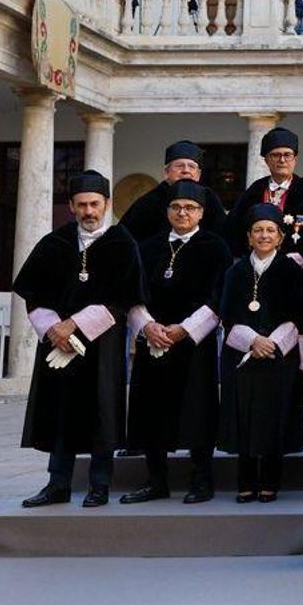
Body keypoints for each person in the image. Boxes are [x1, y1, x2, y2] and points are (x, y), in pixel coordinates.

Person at [16, 170, 145, 509]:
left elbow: (124, 299)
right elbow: (33, 294)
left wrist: (74, 324)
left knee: (101, 412)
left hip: (102, 344)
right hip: (58, 345)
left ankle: (100, 485)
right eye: (82, 205)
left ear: (107, 204)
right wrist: (53, 329)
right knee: (60, 410)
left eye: (94, 204)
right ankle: (57, 483)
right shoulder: (54, 243)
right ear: (72, 207)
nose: (89, 211)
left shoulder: (122, 243)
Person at [121, 180, 232, 505]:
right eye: (176, 207)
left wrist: (184, 329)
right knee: (150, 408)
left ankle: (202, 478)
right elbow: (133, 294)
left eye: (191, 208)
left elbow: (218, 298)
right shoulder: (147, 248)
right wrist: (148, 326)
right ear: (166, 211)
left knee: (198, 409)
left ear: (202, 212)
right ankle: (156, 480)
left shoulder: (215, 247)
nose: (183, 213)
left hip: (194, 343)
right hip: (153, 341)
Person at [217, 203, 303, 503]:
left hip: (279, 356)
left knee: (274, 416)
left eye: (270, 230)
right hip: (242, 355)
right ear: (248, 237)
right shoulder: (235, 271)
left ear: (281, 237)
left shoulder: (291, 269)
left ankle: (270, 481)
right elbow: (226, 314)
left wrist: (271, 343)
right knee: (244, 416)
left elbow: (300, 314)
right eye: (258, 230)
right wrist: (252, 340)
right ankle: (245, 481)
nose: (264, 235)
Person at [227, 126, 303, 258]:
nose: (282, 160)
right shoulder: (254, 191)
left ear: (295, 159)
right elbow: (234, 229)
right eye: (276, 155)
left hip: (298, 271)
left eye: (287, 155)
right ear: (266, 160)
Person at [119, 140, 228, 241]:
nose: (186, 170)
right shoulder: (149, 202)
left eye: (191, 167)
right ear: (166, 173)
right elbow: (125, 240)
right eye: (179, 166)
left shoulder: (210, 199)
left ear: (198, 174)